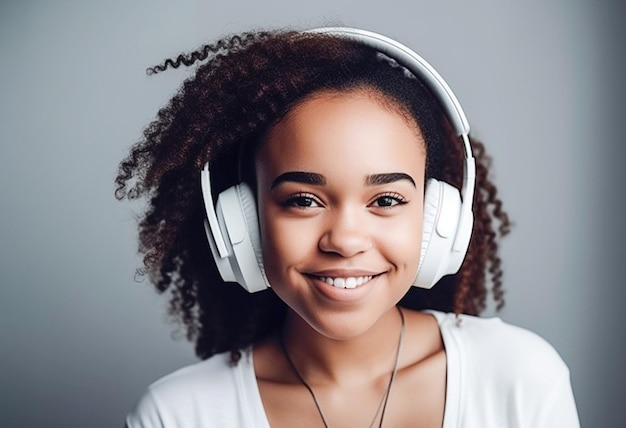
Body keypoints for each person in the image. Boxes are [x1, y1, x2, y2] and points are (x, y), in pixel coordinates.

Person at [116, 27, 579, 427]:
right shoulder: (175, 416)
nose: (345, 240)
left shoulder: (519, 378)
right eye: (303, 200)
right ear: (241, 223)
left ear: (439, 219)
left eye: (386, 200)